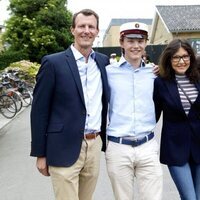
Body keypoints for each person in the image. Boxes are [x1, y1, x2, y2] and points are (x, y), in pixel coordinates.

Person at [30, 9, 110, 200]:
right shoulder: (53, 63)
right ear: (72, 30)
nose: (86, 30)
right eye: (81, 26)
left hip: (94, 145)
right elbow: (39, 111)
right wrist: (40, 153)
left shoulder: (103, 62)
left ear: (97, 31)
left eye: (91, 27)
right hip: (62, 147)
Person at [105, 22, 163, 200]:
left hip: (147, 146)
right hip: (118, 147)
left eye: (141, 41)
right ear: (122, 42)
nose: (136, 46)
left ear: (145, 43)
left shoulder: (155, 74)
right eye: (130, 41)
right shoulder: (108, 72)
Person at [153, 38, 200, 200]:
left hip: (198, 146)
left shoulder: (198, 78)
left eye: (185, 56)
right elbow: (153, 114)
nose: (181, 61)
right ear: (169, 59)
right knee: (189, 197)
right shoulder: (160, 83)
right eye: (176, 57)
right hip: (175, 149)